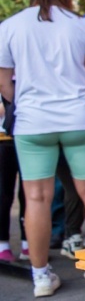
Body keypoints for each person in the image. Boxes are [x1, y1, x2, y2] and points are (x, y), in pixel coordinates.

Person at [0, 0, 85, 296]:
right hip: (79, 119)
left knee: (36, 198)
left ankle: (41, 276)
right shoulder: (82, 26)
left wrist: (28, 102)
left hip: (33, 123)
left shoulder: (10, 26)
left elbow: (4, 85)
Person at [0, 96, 28, 262]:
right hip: (3, 140)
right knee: (4, 193)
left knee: (29, 194)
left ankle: (28, 242)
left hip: (27, 134)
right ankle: (2, 243)